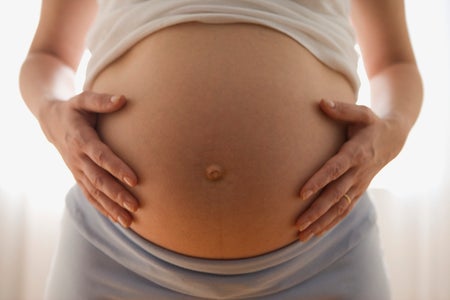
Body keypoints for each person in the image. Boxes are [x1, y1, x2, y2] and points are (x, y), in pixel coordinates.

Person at [19, 0, 422, 299]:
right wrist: (52, 113)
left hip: (323, 251)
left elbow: (394, 62)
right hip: (114, 249)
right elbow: (48, 55)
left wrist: (393, 129)